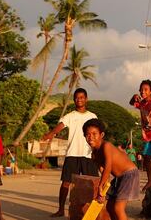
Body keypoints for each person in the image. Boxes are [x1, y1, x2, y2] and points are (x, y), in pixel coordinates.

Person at [42, 88, 99, 217]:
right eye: (77, 98)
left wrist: (98, 152)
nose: (79, 100)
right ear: (74, 100)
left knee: (92, 184)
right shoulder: (70, 116)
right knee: (66, 183)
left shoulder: (92, 116)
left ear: (86, 99)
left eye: (82, 97)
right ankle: (61, 209)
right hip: (72, 154)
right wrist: (51, 133)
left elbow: (98, 135)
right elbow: (60, 125)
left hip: (88, 154)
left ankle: (93, 211)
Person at [83, 118, 139, 220]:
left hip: (129, 174)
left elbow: (108, 166)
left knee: (118, 208)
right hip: (119, 178)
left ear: (102, 135)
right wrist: (103, 192)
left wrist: (100, 186)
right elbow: (104, 173)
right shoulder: (94, 154)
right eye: (87, 134)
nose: (90, 137)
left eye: (94, 134)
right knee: (109, 206)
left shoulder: (106, 146)